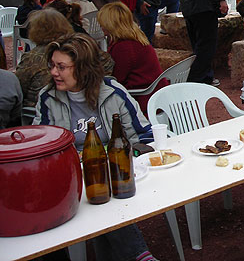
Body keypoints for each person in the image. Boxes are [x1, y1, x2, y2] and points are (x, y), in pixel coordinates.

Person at [32, 33, 156, 261]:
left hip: (114, 176)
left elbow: (144, 135)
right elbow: (41, 149)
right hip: (70, 179)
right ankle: (139, 256)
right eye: (52, 66)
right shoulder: (47, 99)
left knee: (104, 188)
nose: (53, 73)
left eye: (61, 67)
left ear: (82, 68)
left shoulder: (112, 92)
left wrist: (126, 156)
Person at [16, 9, 113, 108]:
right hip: (77, 105)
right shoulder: (81, 49)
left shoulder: (33, 58)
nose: (54, 72)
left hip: (36, 109)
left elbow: (18, 88)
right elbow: (107, 61)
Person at [97, 2, 167, 115]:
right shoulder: (137, 38)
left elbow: (116, 80)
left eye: (103, 23)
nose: (101, 26)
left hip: (142, 100)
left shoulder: (124, 47)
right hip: (156, 94)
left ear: (111, 24)